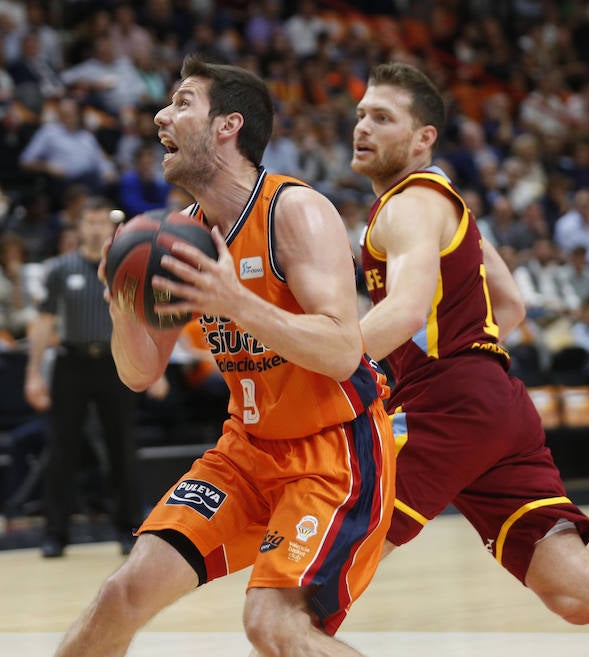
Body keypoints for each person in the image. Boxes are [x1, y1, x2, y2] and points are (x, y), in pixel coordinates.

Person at [51, 56, 394, 657]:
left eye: (182, 102)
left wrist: (235, 300)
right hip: (244, 451)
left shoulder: (295, 210)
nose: (161, 115)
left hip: (333, 452)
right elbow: (138, 375)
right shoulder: (177, 234)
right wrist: (122, 301)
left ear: (227, 126)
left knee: (273, 624)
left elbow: (344, 350)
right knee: (121, 595)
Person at [353, 62, 589, 625]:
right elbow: (509, 305)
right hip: (499, 403)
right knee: (574, 594)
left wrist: (324, 363)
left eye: (382, 118)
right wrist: (467, 366)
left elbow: (407, 310)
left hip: (449, 405)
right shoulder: (449, 204)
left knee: (331, 564)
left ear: (423, 138)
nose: (362, 127)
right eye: (361, 114)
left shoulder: (409, 204)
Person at [24, 197, 142, 559]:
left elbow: (140, 316)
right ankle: (55, 533)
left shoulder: (126, 268)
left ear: (111, 228)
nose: (94, 229)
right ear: (78, 229)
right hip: (72, 362)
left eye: (100, 222)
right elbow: (44, 322)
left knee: (122, 446)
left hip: (114, 362)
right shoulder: (60, 268)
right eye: (88, 222)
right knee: (62, 448)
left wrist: (151, 364)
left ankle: (128, 529)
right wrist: (33, 374)